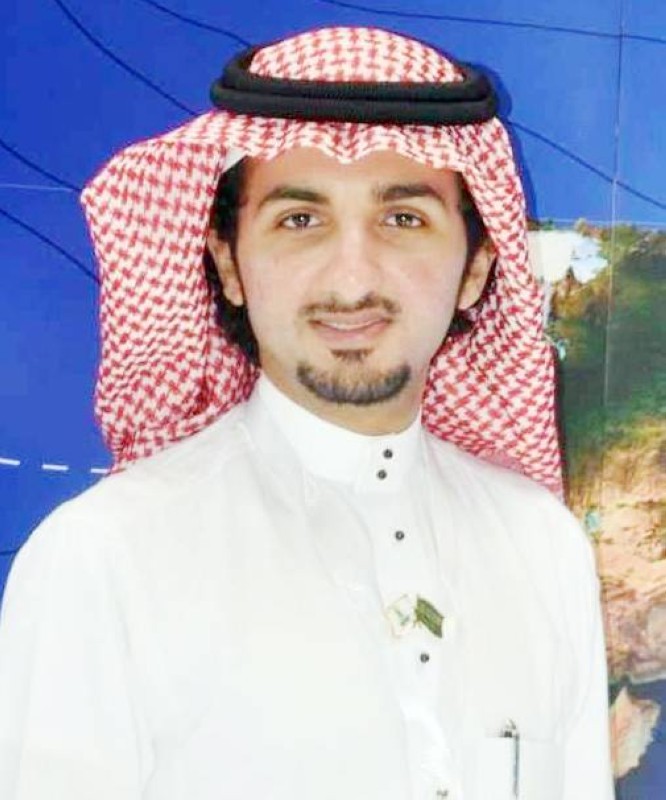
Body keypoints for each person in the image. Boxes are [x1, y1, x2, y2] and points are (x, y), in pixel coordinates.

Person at [0, 25, 613, 800]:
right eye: (300, 220)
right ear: (228, 264)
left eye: (403, 219)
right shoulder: (105, 561)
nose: (351, 278)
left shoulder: (542, 547)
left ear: (475, 270)